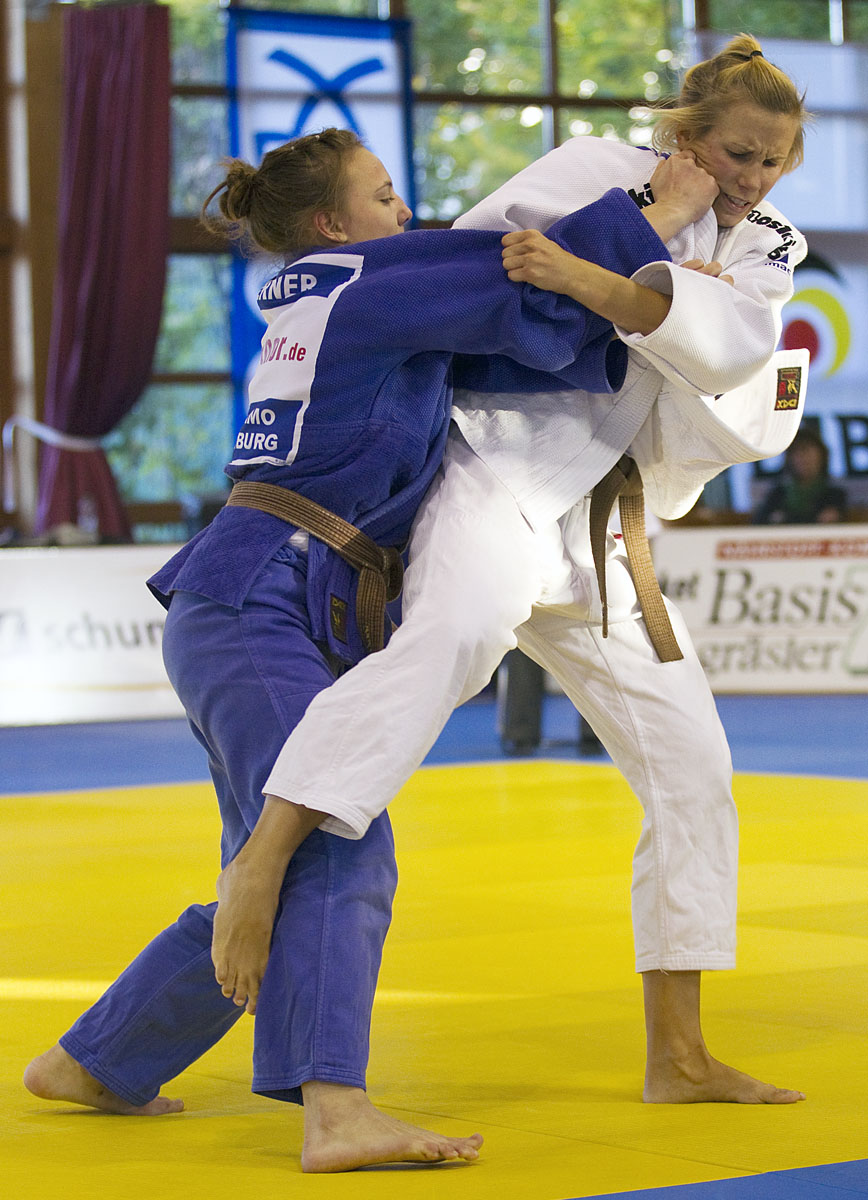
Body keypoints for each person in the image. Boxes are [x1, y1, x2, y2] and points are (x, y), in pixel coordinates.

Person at [23, 127, 708, 1171]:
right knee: (339, 833)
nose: (409, 213)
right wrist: (656, 213)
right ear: (334, 223)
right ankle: (335, 1108)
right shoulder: (362, 277)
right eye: (387, 196)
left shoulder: (322, 295)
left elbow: (518, 334)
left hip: (255, 594)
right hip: (265, 596)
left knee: (280, 852)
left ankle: (102, 1060)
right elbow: (511, 269)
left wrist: (664, 309)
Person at [216, 34, 812, 1107]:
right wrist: (634, 242)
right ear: (683, 135)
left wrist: (606, 273)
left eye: (771, 162)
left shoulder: (768, 241)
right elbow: (477, 271)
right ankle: (261, 857)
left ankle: (678, 1055)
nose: (751, 178)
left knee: (693, 768)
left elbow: (730, 353)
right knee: (455, 639)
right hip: (492, 465)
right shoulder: (588, 165)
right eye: (733, 154)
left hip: (601, 522)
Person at [753, 425, 847, 524]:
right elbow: (759, 523)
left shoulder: (834, 495)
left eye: (809, 454)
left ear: (822, 457)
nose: (803, 459)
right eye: (798, 453)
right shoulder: (778, 494)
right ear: (789, 459)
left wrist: (785, 519)